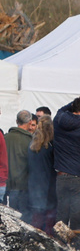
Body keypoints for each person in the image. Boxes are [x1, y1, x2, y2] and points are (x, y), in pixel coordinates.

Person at [52, 98, 80, 232]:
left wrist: (72, 105)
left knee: (61, 213)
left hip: (61, 175)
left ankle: (59, 244)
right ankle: (76, 246)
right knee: (77, 214)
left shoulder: (58, 120)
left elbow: (61, 110)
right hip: (77, 177)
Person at [28, 116, 57, 234]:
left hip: (34, 185)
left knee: (36, 220)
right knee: (49, 220)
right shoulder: (51, 146)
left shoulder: (32, 145)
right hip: (48, 187)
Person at [5, 110, 35, 215]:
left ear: (17, 121)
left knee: (11, 216)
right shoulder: (30, 141)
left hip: (7, 184)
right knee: (23, 218)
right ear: (30, 122)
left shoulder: (5, 137)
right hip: (23, 186)